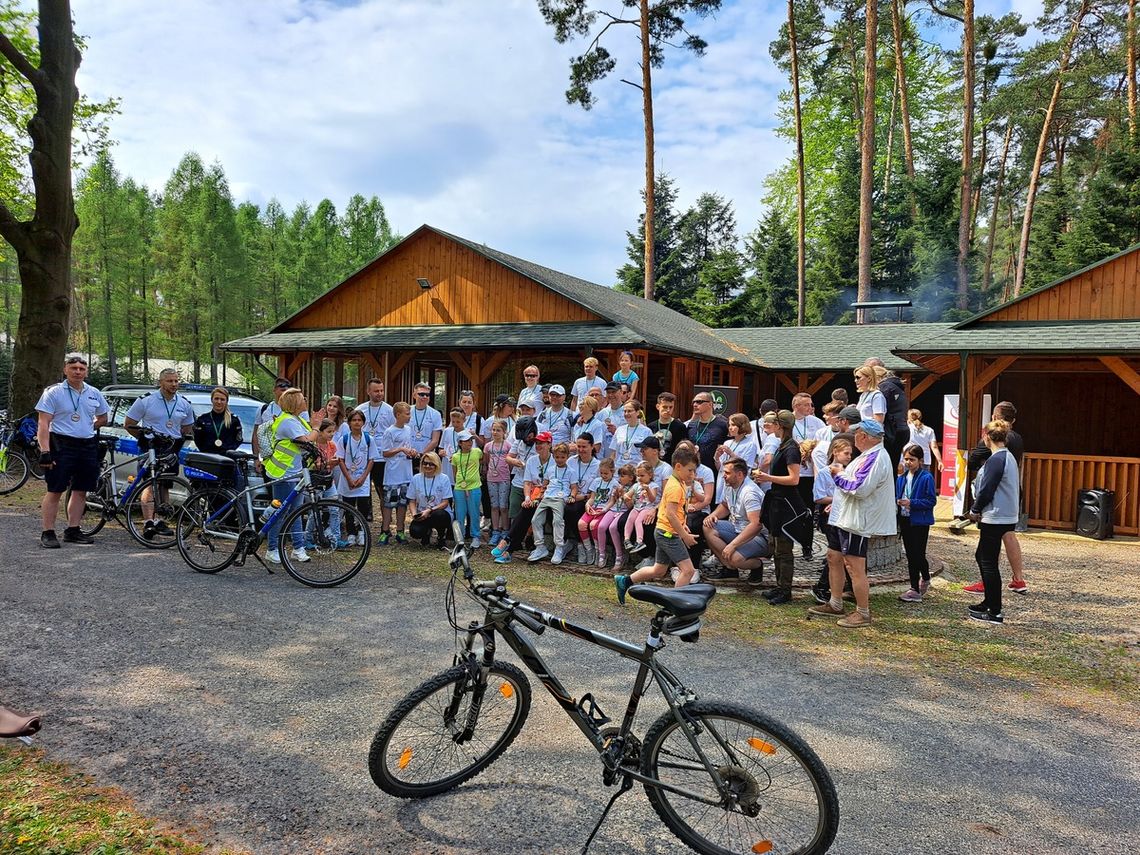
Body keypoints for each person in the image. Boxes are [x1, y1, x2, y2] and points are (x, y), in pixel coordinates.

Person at [809, 419, 896, 627]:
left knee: (854, 565)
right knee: (834, 556)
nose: (854, 436)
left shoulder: (875, 458)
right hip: (846, 517)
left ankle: (863, 612)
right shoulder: (868, 456)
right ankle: (835, 602)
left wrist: (837, 474)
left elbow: (859, 488)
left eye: (857, 433)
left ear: (864, 436)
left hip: (857, 520)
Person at [35, 354, 110, 548]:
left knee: (81, 490)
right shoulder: (53, 392)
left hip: (87, 445)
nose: (78, 372)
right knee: (55, 489)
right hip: (61, 444)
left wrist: (88, 427)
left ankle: (73, 530)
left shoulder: (94, 393)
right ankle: (48, 532)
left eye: (81, 369)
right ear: (65, 370)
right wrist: (45, 450)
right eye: (73, 368)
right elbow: (43, 422)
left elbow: (103, 418)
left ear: (86, 372)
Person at [614, 447, 701, 602]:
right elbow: (670, 514)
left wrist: (683, 524)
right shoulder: (675, 486)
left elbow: (674, 510)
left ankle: (624, 581)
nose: (693, 475)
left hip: (663, 531)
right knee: (688, 571)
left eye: (694, 471)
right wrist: (684, 535)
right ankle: (676, 604)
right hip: (668, 534)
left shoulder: (678, 482)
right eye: (690, 470)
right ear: (678, 467)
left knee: (659, 570)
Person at [963, 401, 1028, 595]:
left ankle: (988, 581)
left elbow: (973, 461)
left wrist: (975, 508)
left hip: (995, 496)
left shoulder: (994, 442)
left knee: (988, 544)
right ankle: (1018, 578)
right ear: (1013, 420)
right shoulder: (1017, 439)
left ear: (993, 417)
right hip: (1013, 490)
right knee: (1008, 535)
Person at [124, 368, 195, 540]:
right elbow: (129, 423)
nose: (174, 384)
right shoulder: (146, 400)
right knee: (149, 482)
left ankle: (161, 520)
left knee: (165, 485)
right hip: (151, 447)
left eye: (176, 381)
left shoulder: (184, 403)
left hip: (171, 448)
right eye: (170, 381)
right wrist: (145, 440)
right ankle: (148, 521)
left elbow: (187, 427)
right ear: (161, 382)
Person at [752, 410, 811, 605]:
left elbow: (794, 479)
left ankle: (786, 590)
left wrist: (767, 478)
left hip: (786, 503)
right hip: (777, 501)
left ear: (780, 425)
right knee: (776, 546)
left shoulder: (790, 448)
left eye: (774, 424)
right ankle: (779, 586)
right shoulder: (782, 445)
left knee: (784, 549)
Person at [965, 420, 1020, 624]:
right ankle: (989, 601)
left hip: (996, 516)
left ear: (986, 436)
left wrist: (975, 509)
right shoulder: (1008, 457)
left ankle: (995, 610)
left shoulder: (997, 459)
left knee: (988, 562)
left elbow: (988, 488)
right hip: (1004, 514)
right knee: (982, 556)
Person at [260, 387, 321, 564]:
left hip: (296, 473)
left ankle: (298, 548)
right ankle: (272, 548)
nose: (305, 401)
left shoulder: (297, 419)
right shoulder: (287, 421)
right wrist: (316, 427)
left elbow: (311, 440)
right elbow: (306, 440)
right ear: (295, 402)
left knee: (296, 511)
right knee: (280, 511)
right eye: (303, 399)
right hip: (283, 473)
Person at [702, 458, 769, 586]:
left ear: (739, 475)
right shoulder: (731, 485)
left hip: (759, 537)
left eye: (727, 473)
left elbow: (756, 525)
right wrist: (713, 515)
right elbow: (725, 505)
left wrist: (732, 545)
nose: (723, 476)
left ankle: (756, 566)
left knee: (735, 559)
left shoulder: (750, 492)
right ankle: (730, 569)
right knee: (708, 526)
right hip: (737, 528)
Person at [492, 430, 554, 564]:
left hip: (549, 497)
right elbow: (527, 482)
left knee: (527, 511)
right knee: (527, 509)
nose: (538, 446)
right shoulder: (532, 460)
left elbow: (552, 485)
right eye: (537, 443)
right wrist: (527, 497)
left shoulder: (555, 461)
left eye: (542, 443)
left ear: (549, 444)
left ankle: (507, 542)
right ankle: (508, 550)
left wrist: (536, 498)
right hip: (534, 496)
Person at [897, 445, 937, 603]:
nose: (908, 462)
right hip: (905, 519)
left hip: (919, 521)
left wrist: (911, 503)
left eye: (911, 460)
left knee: (918, 554)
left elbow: (931, 500)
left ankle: (924, 579)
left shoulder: (926, 478)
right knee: (910, 554)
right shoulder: (901, 478)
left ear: (920, 461)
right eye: (906, 459)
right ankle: (914, 586)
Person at [356, 378, 394, 521]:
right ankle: (365, 516)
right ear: (368, 391)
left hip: (382, 457)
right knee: (363, 489)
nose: (379, 393)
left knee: (382, 489)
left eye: (381, 391)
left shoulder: (389, 410)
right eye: (376, 391)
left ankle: (386, 521)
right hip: (364, 456)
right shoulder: (360, 409)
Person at [529, 441, 574, 564]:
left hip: (560, 498)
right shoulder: (550, 469)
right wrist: (539, 495)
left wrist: (572, 495)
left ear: (567, 457)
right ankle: (540, 546)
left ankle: (559, 547)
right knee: (535, 520)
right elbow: (545, 485)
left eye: (563, 457)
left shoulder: (570, 471)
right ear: (553, 457)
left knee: (558, 520)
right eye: (557, 457)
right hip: (547, 496)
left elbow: (574, 487)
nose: (560, 460)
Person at [335, 410, 375, 547]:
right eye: (354, 420)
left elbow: (371, 460)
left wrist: (363, 478)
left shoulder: (369, 439)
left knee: (363, 507)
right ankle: (351, 533)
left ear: (363, 422)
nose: (357, 422)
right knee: (348, 506)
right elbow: (340, 460)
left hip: (362, 478)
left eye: (359, 420)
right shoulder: (344, 439)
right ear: (349, 422)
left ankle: (362, 532)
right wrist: (348, 478)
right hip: (348, 478)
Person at [380, 401, 416, 545]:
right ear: (398, 415)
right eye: (407, 414)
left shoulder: (408, 429)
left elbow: (408, 447)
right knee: (389, 504)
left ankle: (400, 531)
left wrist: (411, 452)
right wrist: (401, 449)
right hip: (392, 475)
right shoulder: (389, 431)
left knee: (402, 504)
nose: (409, 417)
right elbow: (385, 453)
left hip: (406, 473)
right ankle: (385, 530)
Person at [865, 357, 910, 470]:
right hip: (899, 430)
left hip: (891, 433)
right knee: (891, 468)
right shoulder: (895, 386)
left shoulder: (884, 388)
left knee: (884, 469)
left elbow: (879, 413)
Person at [254, 377, 310, 466]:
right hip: (268, 456)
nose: (284, 393)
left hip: (290, 461)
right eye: (282, 390)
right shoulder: (264, 409)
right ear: (274, 390)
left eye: (287, 391)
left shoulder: (300, 411)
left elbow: (306, 435)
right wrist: (256, 458)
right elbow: (256, 434)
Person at [563, 433, 599, 559]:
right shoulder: (571, 461)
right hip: (570, 496)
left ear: (592, 446)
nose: (581, 450)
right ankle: (574, 542)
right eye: (578, 446)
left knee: (572, 509)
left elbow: (598, 489)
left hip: (588, 499)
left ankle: (584, 544)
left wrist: (584, 497)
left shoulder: (598, 465)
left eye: (584, 446)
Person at [595, 463, 636, 570]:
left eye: (622, 476)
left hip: (623, 511)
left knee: (613, 527)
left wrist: (623, 494)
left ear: (630, 478)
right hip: (613, 510)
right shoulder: (617, 486)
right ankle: (602, 553)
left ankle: (619, 555)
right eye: (619, 476)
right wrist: (604, 509)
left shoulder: (634, 488)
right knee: (601, 526)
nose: (619, 479)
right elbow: (612, 501)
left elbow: (630, 506)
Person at [407, 452, 454, 548]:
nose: (427, 466)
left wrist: (430, 510)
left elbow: (445, 502)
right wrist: (414, 514)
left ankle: (441, 536)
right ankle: (426, 534)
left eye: (431, 464)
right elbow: (412, 501)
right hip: (423, 514)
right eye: (425, 463)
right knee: (415, 531)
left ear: (437, 465)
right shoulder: (416, 478)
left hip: (440, 512)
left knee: (439, 515)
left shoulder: (444, 478)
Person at [713, 413, 760, 503]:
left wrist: (731, 453)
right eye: (729, 425)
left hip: (737, 483)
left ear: (742, 426)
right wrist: (717, 458)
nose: (730, 427)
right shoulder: (727, 442)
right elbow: (720, 468)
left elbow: (745, 466)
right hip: (723, 482)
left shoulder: (750, 444)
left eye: (733, 425)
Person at [577, 456, 616, 566]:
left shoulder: (615, 484)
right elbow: (592, 497)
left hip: (603, 510)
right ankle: (589, 549)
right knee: (581, 523)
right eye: (601, 473)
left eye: (606, 474)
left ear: (612, 472)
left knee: (593, 525)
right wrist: (588, 504)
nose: (603, 476)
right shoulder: (596, 481)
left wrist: (603, 510)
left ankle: (599, 550)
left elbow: (612, 501)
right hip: (593, 508)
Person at [451, 430, 483, 548]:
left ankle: (475, 536)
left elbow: (482, 461)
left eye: (470, 440)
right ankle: (460, 538)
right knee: (460, 513)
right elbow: (455, 472)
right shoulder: (455, 456)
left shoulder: (477, 452)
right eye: (466, 441)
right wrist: (460, 482)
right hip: (460, 488)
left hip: (474, 487)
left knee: (474, 512)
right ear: (460, 443)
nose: (469, 442)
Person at [483, 419, 513, 546]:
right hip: (491, 479)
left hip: (504, 479)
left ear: (504, 432)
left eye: (498, 430)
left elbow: (511, 463)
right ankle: (495, 531)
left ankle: (505, 531)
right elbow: (486, 461)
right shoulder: (488, 446)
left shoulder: (507, 445)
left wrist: (507, 472)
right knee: (494, 506)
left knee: (503, 506)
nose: (495, 432)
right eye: (493, 430)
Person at [622, 461, 660, 556]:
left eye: (642, 475)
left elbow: (652, 499)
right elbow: (628, 494)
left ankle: (639, 541)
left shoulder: (653, 486)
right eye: (638, 476)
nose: (639, 478)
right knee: (630, 519)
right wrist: (625, 496)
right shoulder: (636, 486)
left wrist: (647, 490)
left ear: (650, 475)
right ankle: (627, 539)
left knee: (638, 521)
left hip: (647, 508)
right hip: (637, 507)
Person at [193, 386, 243, 455]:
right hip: (207, 457)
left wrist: (228, 451)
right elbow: (197, 440)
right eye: (216, 399)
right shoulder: (202, 419)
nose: (219, 402)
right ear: (212, 400)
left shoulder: (234, 420)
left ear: (226, 401)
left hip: (227, 459)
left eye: (222, 399)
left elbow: (238, 440)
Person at [686, 392, 729, 470]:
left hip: (715, 471)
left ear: (710, 404)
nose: (695, 405)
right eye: (694, 402)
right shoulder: (691, 425)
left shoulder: (723, 425)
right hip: (693, 470)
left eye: (699, 402)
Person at [409, 382, 443, 464]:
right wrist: (410, 452)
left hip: (426, 457)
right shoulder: (407, 411)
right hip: (407, 455)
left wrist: (421, 455)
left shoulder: (435, 414)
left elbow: (435, 441)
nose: (425, 397)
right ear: (414, 395)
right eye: (421, 394)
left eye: (427, 395)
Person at [610, 400, 651, 468]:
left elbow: (649, 455)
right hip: (619, 471)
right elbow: (613, 453)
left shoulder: (646, 431)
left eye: (629, 411)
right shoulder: (620, 429)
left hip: (636, 471)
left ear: (638, 412)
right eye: (625, 411)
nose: (626, 414)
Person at [647, 392, 686, 463]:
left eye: (671, 407)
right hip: (654, 465)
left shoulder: (680, 426)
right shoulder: (651, 426)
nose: (668, 410)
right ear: (658, 407)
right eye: (665, 407)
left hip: (673, 465)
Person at [903, 408, 943, 477]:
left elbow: (902, 443)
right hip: (925, 460)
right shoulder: (929, 430)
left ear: (909, 418)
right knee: (923, 483)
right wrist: (940, 461)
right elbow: (934, 447)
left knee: (909, 482)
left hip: (909, 459)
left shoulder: (907, 429)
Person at [596, 382, 624, 459]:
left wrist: (616, 432)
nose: (611, 395)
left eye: (613, 392)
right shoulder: (602, 413)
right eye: (608, 393)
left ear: (621, 392)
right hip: (604, 458)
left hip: (621, 458)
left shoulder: (628, 412)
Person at [438, 407, 466, 482]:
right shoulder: (447, 431)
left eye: (458, 422)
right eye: (453, 422)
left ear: (464, 420)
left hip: (461, 467)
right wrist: (441, 452)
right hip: (447, 467)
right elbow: (441, 448)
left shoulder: (467, 433)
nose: (455, 424)